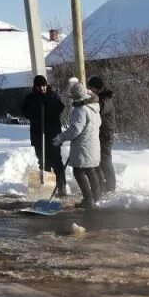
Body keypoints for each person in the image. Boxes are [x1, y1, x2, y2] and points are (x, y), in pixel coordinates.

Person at [53, 80, 101, 209]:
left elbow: (75, 130)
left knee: (78, 171)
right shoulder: (94, 107)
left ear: (75, 96)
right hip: (93, 144)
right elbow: (98, 124)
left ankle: (88, 199)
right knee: (90, 171)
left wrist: (61, 137)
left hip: (83, 146)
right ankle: (96, 198)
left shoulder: (80, 110)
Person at [20, 74, 66, 195]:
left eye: (44, 86)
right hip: (38, 136)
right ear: (35, 87)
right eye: (40, 87)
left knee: (57, 161)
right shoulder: (30, 98)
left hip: (53, 135)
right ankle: (47, 189)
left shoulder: (53, 96)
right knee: (43, 162)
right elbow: (25, 112)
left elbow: (61, 107)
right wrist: (36, 111)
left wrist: (48, 106)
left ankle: (61, 187)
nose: (42, 88)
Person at [87, 75, 116, 194]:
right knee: (97, 160)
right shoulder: (100, 97)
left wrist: (88, 100)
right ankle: (103, 185)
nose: (90, 91)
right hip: (98, 133)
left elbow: (100, 108)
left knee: (105, 160)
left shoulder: (106, 99)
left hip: (106, 134)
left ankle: (111, 186)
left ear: (97, 89)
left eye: (91, 89)